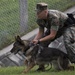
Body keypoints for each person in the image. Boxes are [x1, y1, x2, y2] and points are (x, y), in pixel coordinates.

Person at [32, 2, 75, 71]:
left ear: (45, 12)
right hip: (54, 28)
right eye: (36, 12)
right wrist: (34, 42)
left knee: (68, 42)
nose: (37, 14)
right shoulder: (39, 19)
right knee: (41, 44)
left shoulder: (53, 17)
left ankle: (73, 61)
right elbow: (40, 32)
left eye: (39, 12)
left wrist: (39, 40)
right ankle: (41, 67)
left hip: (67, 26)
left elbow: (52, 35)